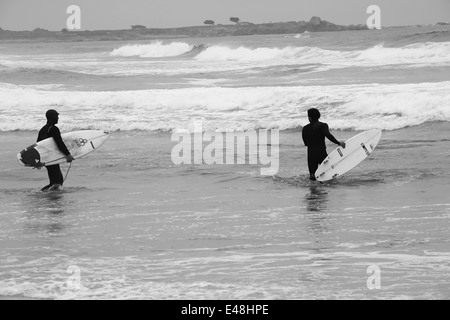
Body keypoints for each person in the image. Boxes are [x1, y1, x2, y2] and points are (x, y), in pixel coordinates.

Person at [302, 108, 345, 181]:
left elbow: (306, 142)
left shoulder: (305, 128)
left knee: (312, 176)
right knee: (330, 173)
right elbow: (328, 135)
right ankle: (329, 187)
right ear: (318, 116)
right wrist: (338, 143)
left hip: (311, 154)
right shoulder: (323, 125)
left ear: (310, 117)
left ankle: (313, 190)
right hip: (321, 152)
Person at [37, 109, 74, 191]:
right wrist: (67, 154)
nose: (58, 118)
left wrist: (39, 160)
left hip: (46, 157)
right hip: (51, 157)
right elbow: (59, 142)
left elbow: (38, 145)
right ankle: (43, 194)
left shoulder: (43, 129)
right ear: (53, 117)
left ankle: (50, 197)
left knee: (57, 181)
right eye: (57, 116)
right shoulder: (54, 129)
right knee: (56, 182)